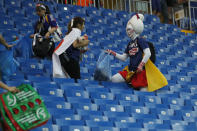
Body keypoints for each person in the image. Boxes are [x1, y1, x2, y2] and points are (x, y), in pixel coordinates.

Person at [106, 13, 151, 91]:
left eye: (129, 29)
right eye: (127, 30)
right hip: (130, 71)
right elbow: (124, 58)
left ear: (135, 28)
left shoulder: (141, 40)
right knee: (113, 79)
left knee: (143, 93)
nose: (128, 32)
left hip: (139, 73)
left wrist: (141, 65)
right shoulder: (130, 43)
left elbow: (148, 53)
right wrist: (113, 53)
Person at [52, 17, 89, 81]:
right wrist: (86, 42)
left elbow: (72, 47)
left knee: (71, 80)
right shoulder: (77, 31)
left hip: (64, 58)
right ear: (78, 25)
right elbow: (75, 45)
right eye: (83, 24)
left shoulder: (71, 32)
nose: (83, 27)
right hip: (70, 59)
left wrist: (81, 50)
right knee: (76, 81)